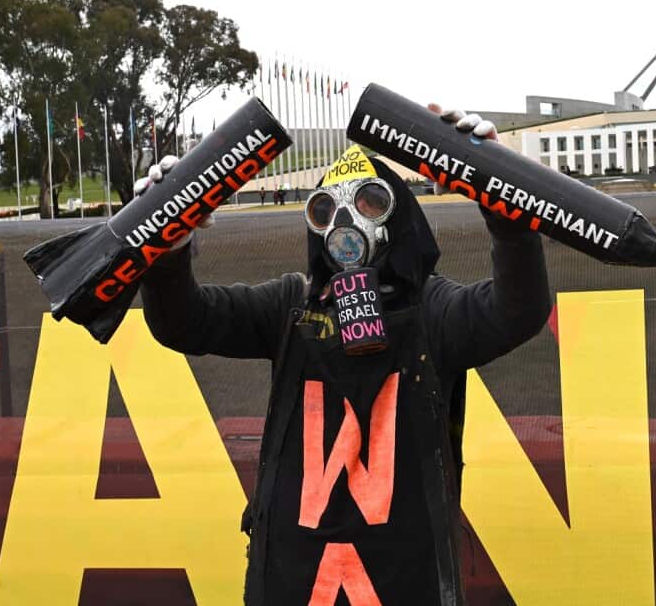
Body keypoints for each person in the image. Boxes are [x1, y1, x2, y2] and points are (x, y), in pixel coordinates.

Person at [133, 106, 550, 605]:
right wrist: (167, 255)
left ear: (399, 215)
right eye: (324, 211)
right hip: (297, 583)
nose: (344, 223)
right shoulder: (291, 307)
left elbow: (518, 310)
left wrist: (504, 205)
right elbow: (184, 322)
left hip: (404, 584)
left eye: (370, 202)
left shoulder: (432, 311)